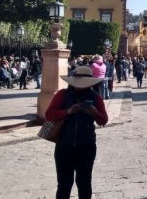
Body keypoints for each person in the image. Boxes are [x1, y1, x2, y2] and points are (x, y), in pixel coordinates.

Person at [45, 65, 108, 199]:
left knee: (84, 183)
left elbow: (103, 120)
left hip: (87, 146)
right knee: (64, 184)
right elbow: (49, 114)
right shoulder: (62, 95)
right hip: (64, 145)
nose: (79, 86)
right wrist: (68, 111)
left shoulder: (96, 98)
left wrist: (94, 113)